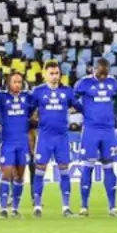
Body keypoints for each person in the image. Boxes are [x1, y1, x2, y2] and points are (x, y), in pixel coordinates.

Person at [74, 59, 117, 216]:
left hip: (108, 130)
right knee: (88, 166)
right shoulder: (84, 83)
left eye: (105, 73)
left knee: (109, 166)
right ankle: (84, 206)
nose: (103, 76)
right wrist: (84, 110)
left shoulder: (113, 82)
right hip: (91, 130)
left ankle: (113, 206)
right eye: (100, 73)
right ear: (93, 69)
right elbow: (73, 99)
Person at [30, 60, 76, 217]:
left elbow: (79, 106)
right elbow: (29, 111)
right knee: (39, 171)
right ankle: (37, 206)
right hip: (44, 137)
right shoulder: (38, 91)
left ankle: (66, 207)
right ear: (44, 74)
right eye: (52, 73)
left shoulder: (67, 91)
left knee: (64, 170)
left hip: (62, 137)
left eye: (57, 73)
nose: (55, 76)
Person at [0, 71, 33, 219]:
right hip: (7, 142)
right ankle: (3, 208)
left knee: (19, 176)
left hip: (22, 141)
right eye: (15, 82)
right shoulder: (2, 98)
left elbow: (32, 113)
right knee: (7, 173)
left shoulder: (27, 98)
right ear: (8, 84)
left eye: (20, 82)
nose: (18, 84)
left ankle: (15, 209)